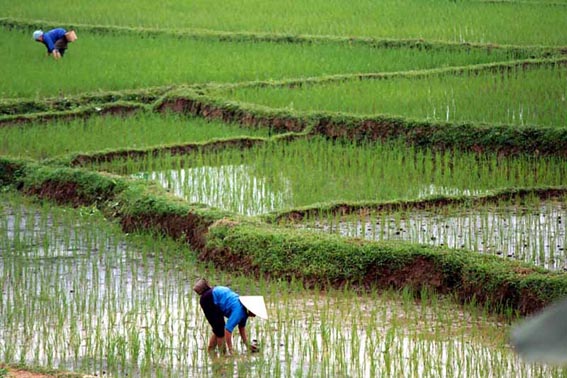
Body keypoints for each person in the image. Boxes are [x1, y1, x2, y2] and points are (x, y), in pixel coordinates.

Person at [193, 278, 268, 355]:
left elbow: (241, 328)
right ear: (250, 309)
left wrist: (247, 345)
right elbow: (228, 330)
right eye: (255, 312)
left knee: (218, 328)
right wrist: (231, 349)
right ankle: (223, 355)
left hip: (216, 296)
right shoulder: (239, 311)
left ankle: (211, 351)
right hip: (209, 299)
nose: (255, 315)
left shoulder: (245, 313)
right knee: (220, 330)